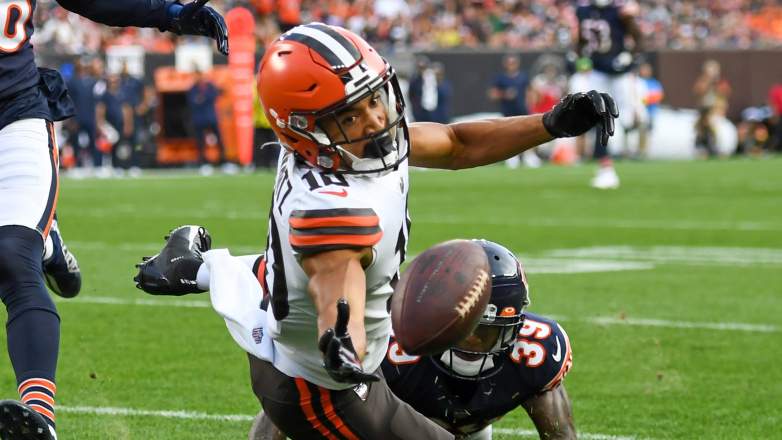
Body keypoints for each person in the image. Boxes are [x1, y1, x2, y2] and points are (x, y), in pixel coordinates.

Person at [134, 23, 616, 440]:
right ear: (303, 128)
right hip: (320, 384)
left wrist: (550, 124)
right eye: (350, 115)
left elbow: (454, 143)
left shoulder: (343, 144)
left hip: (283, 313)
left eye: (373, 99)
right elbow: (336, 282)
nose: (375, 120)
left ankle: (197, 267)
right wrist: (344, 341)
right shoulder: (330, 205)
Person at [0, 2, 228, 439]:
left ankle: (39, 417)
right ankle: (47, 242)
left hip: (12, 114)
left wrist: (169, 12)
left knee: (11, 258)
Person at [249, 240, 575, 440]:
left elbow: (560, 435)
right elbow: (292, 399)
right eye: (460, 327)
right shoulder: (390, 343)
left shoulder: (537, 352)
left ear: (515, 324)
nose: (470, 341)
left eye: (485, 330)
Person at [575, 0, 643, 188]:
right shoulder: (583, 11)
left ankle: (626, 153)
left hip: (620, 74)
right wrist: (581, 57)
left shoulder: (621, 11)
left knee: (627, 117)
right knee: (599, 115)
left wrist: (630, 56)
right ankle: (606, 166)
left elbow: (638, 37)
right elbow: (580, 39)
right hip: (597, 71)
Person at [488, 55, 536, 169]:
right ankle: (512, 157)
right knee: (509, 135)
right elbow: (492, 94)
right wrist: (505, 94)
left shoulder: (523, 77)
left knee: (527, 134)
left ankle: (528, 157)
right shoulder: (500, 78)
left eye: (513, 62)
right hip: (507, 111)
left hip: (522, 110)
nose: (511, 65)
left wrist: (531, 103)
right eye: (509, 63)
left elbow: (530, 92)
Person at [186, 69, 226, 173]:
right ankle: (203, 163)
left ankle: (224, 161)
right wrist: (202, 99)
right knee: (200, 143)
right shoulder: (192, 89)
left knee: (220, 140)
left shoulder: (209, 86)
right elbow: (192, 102)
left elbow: (214, 96)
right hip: (199, 119)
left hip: (210, 117)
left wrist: (202, 98)